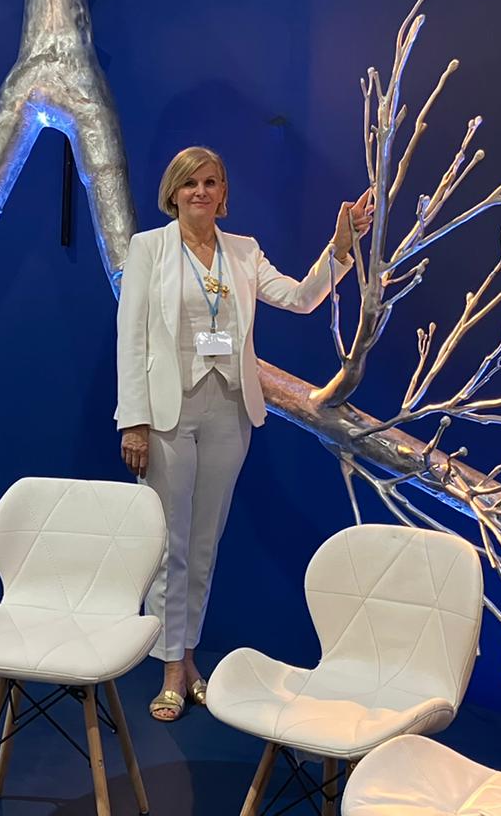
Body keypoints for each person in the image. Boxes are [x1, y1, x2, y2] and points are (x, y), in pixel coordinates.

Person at [114, 145, 373, 722]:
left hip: (229, 409)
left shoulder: (244, 252)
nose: (201, 192)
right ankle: (168, 670)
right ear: (173, 192)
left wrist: (342, 246)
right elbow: (130, 339)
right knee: (170, 546)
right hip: (166, 411)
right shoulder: (149, 249)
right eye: (190, 184)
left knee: (204, 545)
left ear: (224, 193)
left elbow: (302, 299)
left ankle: (188, 657)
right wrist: (132, 418)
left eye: (211, 182)